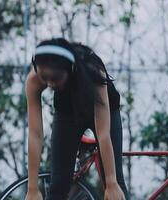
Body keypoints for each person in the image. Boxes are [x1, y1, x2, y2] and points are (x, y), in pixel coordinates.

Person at [24, 37, 129, 200]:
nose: (50, 84)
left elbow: (103, 134)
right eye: (45, 78)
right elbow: (35, 135)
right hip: (67, 114)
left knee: (115, 184)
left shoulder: (93, 70)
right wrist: (32, 189)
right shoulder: (34, 79)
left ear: (70, 69)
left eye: (56, 78)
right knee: (58, 185)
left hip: (103, 111)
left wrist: (111, 183)